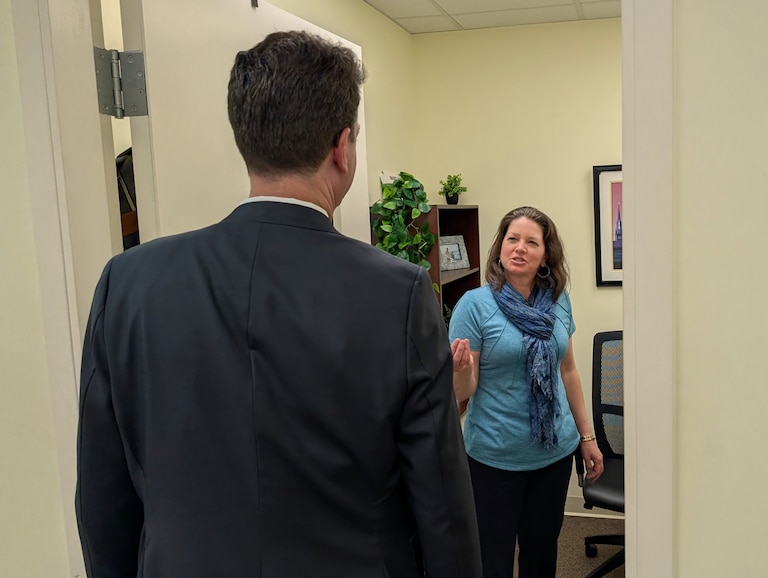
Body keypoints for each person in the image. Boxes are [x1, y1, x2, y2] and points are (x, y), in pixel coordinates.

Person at [76, 30, 481, 578]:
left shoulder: (127, 285)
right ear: (342, 148)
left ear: (247, 140)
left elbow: (104, 502)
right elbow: (442, 514)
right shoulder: (399, 295)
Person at [449, 206, 603, 578]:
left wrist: (587, 437)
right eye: (512, 239)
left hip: (554, 454)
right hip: (494, 458)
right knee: (492, 560)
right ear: (500, 248)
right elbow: (463, 392)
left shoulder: (558, 300)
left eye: (531, 242)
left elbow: (567, 370)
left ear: (545, 255)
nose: (519, 248)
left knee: (541, 554)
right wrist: (460, 372)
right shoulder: (474, 305)